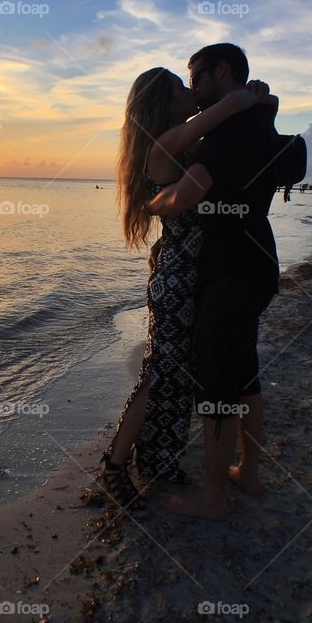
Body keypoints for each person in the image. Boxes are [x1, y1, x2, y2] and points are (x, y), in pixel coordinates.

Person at [101, 65, 273, 511]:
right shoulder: (166, 145)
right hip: (178, 277)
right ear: (164, 103)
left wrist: (261, 100)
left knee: (177, 375)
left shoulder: (187, 143)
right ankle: (114, 465)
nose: (189, 91)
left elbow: (228, 135)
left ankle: (156, 459)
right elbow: (230, 108)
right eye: (181, 87)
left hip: (191, 273)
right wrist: (248, 95)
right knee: (159, 373)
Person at [145, 43, 280, 520]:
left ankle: (213, 497)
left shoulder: (228, 129)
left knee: (218, 385)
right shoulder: (259, 119)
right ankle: (251, 473)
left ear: (221, 70)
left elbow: (186, 195)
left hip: (228, 270)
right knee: (246, 374)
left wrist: (154, 204)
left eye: (196, 77)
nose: (195, 88)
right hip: (260, 259)